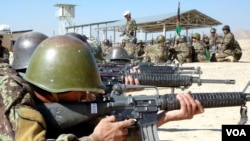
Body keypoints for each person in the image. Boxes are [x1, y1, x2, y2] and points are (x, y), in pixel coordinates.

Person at [0, 35, 204, 141]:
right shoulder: (13, 96)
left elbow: (110, 135)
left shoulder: (48, 102)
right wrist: (96, 138)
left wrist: (164, 117)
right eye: (82, 91)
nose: (88, 97)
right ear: (57, 86)